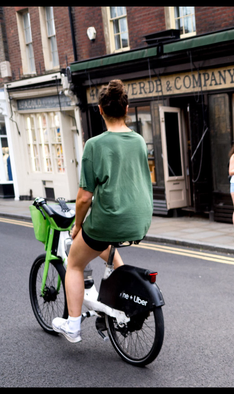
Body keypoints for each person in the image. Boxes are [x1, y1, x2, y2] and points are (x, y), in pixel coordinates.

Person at [52, 80, 153, 343]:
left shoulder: (94, 146)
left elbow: (85, 198)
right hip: (140, 219)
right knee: (103, 246)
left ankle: (73, 326)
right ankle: (120, 292)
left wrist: (76, 227)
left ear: (100, 110)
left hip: (109, 219)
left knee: (74, 263)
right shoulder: (139, 140)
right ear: (127, 108)